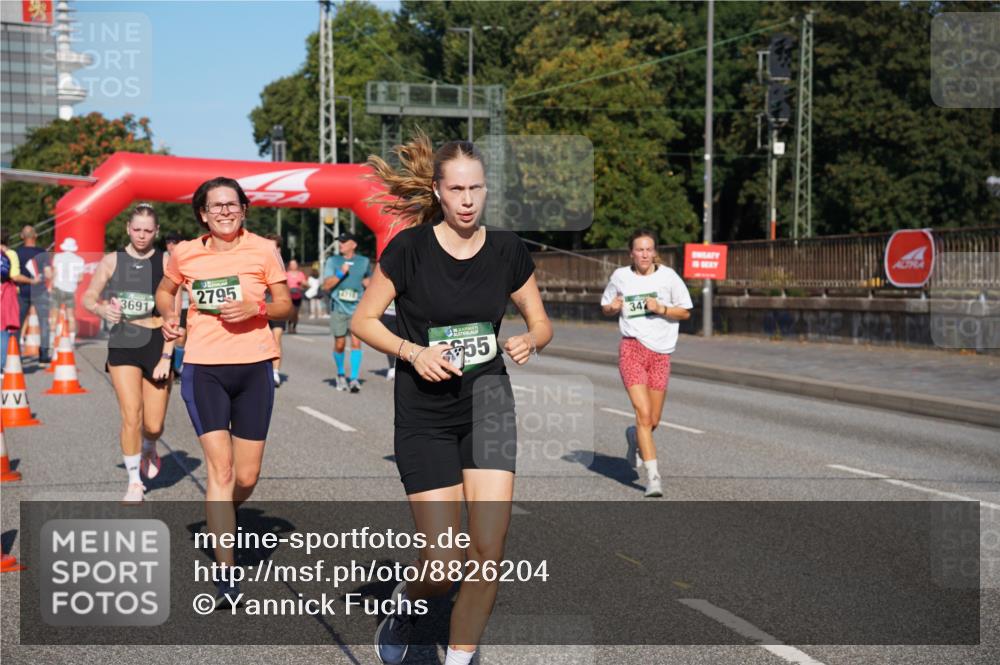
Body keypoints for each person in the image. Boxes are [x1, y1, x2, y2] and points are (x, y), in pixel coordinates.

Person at [352, 134, 552, 665]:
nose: (467, 200)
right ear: (438, 192)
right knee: (442, 565)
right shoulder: (410, 249)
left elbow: (541, 322)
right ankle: (405, 604)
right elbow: (363, 320)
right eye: (457, 189)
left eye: (476, 189)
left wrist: (530, 339)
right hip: (425, 413)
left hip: (488, 405)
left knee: (487, 555)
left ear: (487, 190)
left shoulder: (509, 249)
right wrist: (412, 352)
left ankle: (459, 659)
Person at [155, 177, 291, 606]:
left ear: (244, 209)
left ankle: (221, 515)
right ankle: (226, 572)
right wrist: (168, 316)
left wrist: (259, 307)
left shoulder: (264, 250)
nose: (225, 212)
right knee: (222, 472)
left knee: (247, 477)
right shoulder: (185, 253)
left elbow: (285, 304)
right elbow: (166, 291)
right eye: (216, 206)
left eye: (232, 205)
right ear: (202, 213)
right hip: (204, 369)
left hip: (253, 367)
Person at [82, 204, 174, 503]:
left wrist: (168, 355)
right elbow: (88, 298)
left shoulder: (167, 261)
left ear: (156, 231)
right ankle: (134, 482)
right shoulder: (112, 260)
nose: (142, 236)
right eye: (137, 229)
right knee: (131, 415)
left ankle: (149, 446)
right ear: (127, 229)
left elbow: (176, 313)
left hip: (157, 341)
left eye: (148, 230)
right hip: (124, 340)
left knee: (154, 424)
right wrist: (102, 309)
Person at [600, 229, 692, 498]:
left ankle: (633, 436)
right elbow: (605, 306)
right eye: (639, 249)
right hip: (632, 349)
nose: (644, 254)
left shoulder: (668, 277)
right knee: (643, 413)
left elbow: (685, 311)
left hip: (661, 354)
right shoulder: (620, 276)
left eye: (648, 249)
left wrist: (661, 308)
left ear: (655, 252)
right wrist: (613, 306)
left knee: (652, 420)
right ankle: (653, 478)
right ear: (631, 252)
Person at [322, 231, 371, 393]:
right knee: (340, 344)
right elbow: (326, 285)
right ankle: (341, 374)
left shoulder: (364, 262)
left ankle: (354, 378)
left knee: (356, 342)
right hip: (339, 307)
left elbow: (369, 282)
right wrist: (340, 273)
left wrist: (368, 284)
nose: (340, 244)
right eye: (340, 241)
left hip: (357, 309)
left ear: (354, 244)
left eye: (344, 241)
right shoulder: (333, 260)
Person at [15, 225, 52, 366]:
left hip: (21, 292)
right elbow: (48, 273)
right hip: (40, 291)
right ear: (35, 236)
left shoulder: (16, 253)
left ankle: (16, 356)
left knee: (17, 325)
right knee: (44, 324)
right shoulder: (42, 252)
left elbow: (14, 275)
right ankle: (43, 356)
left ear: (21, 236)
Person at [1, 233, 33, 367]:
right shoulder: (10, 253)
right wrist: (32, 280)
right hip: (5, 292)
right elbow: (14, 275)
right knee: (3, 330)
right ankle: (2, 366)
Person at [50, 236, 86, 343]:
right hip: (70, 290)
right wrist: (72, 283)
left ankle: (52, 340)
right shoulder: (80, 260)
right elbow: (80, 278)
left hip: (57, 288)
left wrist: (51, 285)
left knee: (54, 315)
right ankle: (71, 340)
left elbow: (54, 273)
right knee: (71, 316)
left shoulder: (58, 257)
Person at [164, 233, 189, 380]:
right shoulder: (162, 259)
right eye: (168, 242)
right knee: (166, 337)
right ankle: (168, 364)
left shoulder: (186, 259)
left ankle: (177, 368)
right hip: (165, 304)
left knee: (180, 338)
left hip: (184, 304)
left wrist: (182, 283)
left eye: (174, 242)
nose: (171, 246)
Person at [264, 234, 286, 387]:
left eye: (276, 246)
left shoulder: (281, 264)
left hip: (277, 306)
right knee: (263, 340)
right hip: (260, 306)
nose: (273, 249)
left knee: (276, 338)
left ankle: (275, 373)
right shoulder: (258, 260)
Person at [285, 259, 307, 333]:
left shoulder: (300, 274)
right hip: (289, 295)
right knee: (291, 312)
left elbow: (306, 284)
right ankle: (289, 325)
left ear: (297, 265)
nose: (293, 266)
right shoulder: (286, 274)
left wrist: (302, 284)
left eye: (295, 264)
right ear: (289, 266)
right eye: (292, 264)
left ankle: (294, 326)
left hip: (298, 295)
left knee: (296, 313)